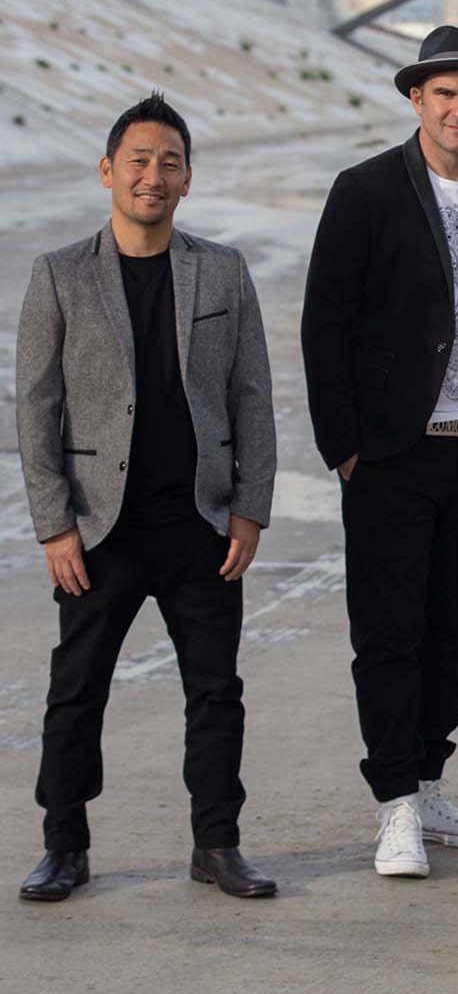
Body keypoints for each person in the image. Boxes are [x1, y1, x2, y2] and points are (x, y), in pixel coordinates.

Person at [302, 26, 458, 878]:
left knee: (454, 630)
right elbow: (324, 322)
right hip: (392, 454)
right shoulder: (367, 189)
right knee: (389, 635)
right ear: (417, 99)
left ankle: (431, 784)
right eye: (445, 93)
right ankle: (394, 807)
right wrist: (344, 445)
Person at [16, 93, 278, 901]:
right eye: (138, 160)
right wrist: (55, 525)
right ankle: (64, 844)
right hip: (99, 529)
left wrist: (249, 506)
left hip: (200, 523)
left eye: (169, 162)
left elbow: (251, 396)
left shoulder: (223, 271)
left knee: (216, 692)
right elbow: (35, 405)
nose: (152, 176)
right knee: (77, 689)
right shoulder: (59, 273)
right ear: (107, 171)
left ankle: (217, 844)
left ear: (189, 178)